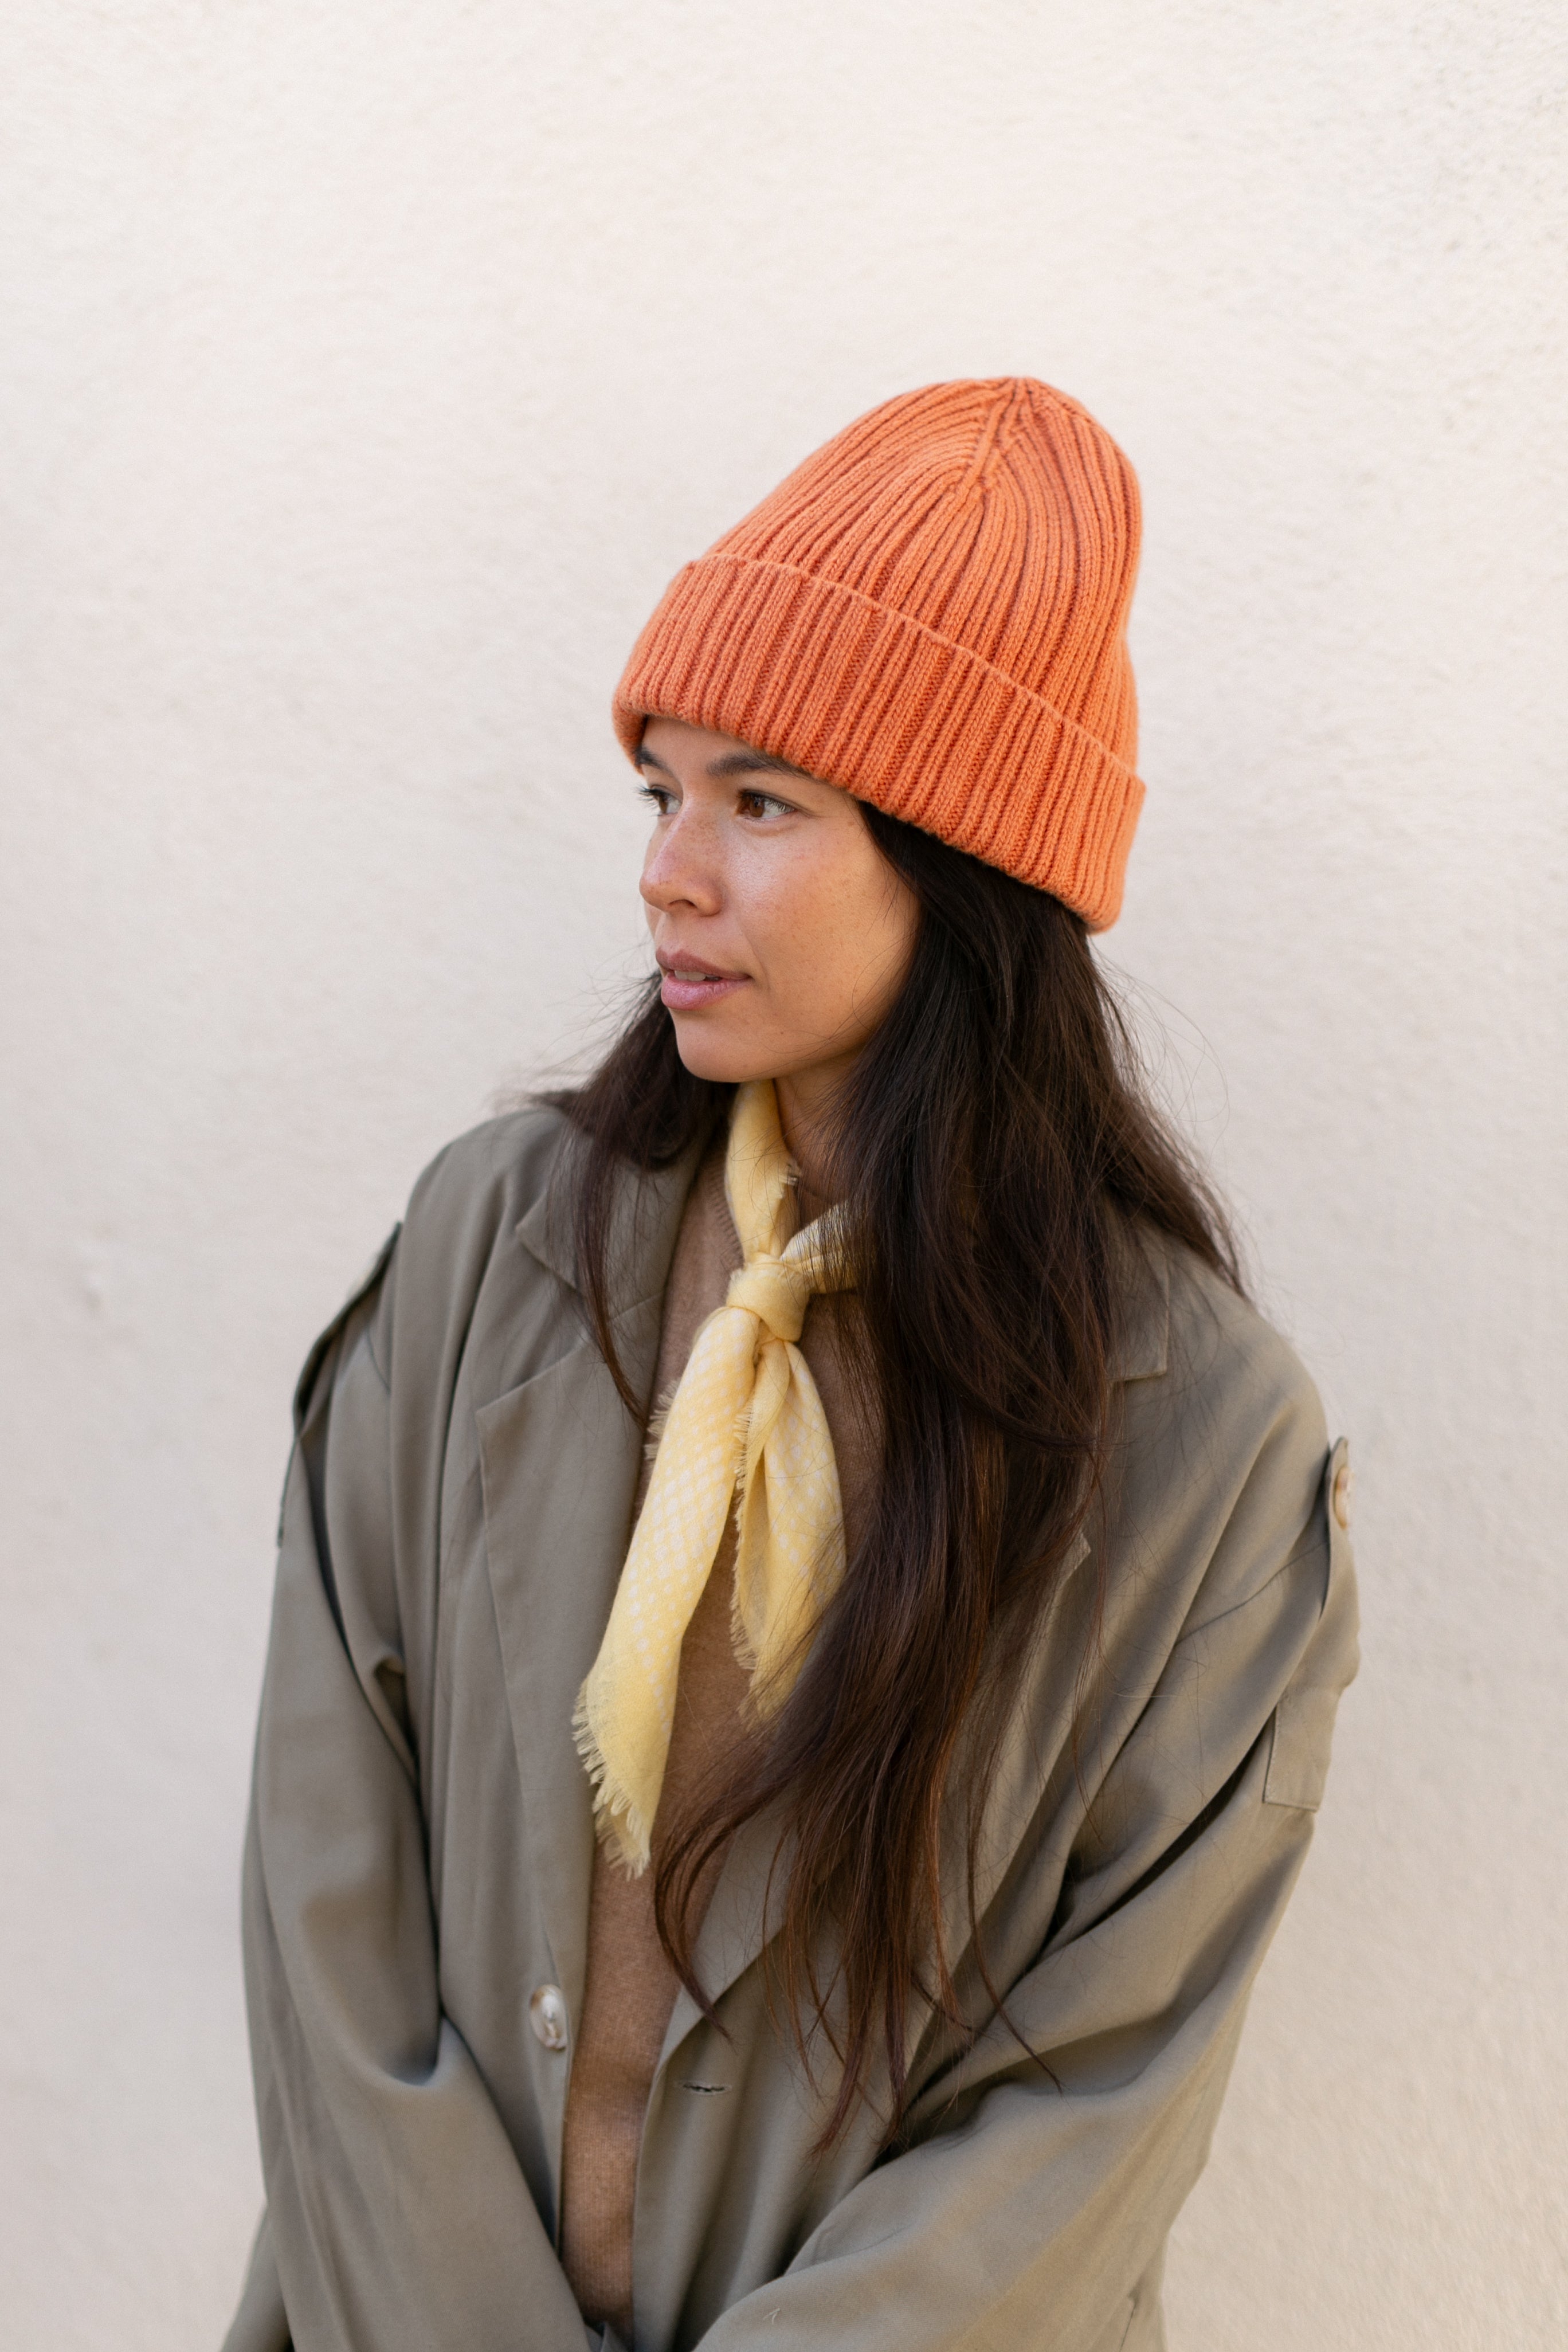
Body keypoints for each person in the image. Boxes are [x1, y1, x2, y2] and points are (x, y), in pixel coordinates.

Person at [224, 378, 1359, 2352]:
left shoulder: (1203, 1448)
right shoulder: (492, 1252)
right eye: (660, 791)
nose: (670, 870)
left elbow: (1096, 2100)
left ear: (966, 864)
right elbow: (328, 1894)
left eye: (761, 803)